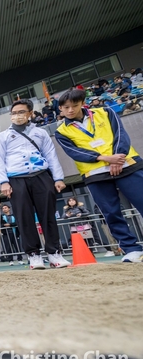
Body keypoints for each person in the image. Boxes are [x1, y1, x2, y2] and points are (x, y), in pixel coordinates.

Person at [55, 88, 143, 263]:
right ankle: (131, 248)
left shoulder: (105, 112)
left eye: (75, 105)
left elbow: (121, 135)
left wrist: (116, 159)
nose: (70, 110)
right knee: (111, 213)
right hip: (96, 174)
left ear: (82, 103)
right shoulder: (61, 131)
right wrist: (104, 159)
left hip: (127, 165)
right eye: (66, 107)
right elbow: (75, 152)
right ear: (60, 109)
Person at [0, 99, 71, 269]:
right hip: (16, 179)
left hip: (41, 176)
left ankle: (54, 253)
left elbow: (51, 156)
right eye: (14, 113)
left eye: (21, 112)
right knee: (24, 217)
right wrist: (4, 182)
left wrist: (58, 178)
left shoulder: (40, 133)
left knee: (48, 215)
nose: (17, 116)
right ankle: (33, 255)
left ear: (29, 113)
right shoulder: (3, 136)